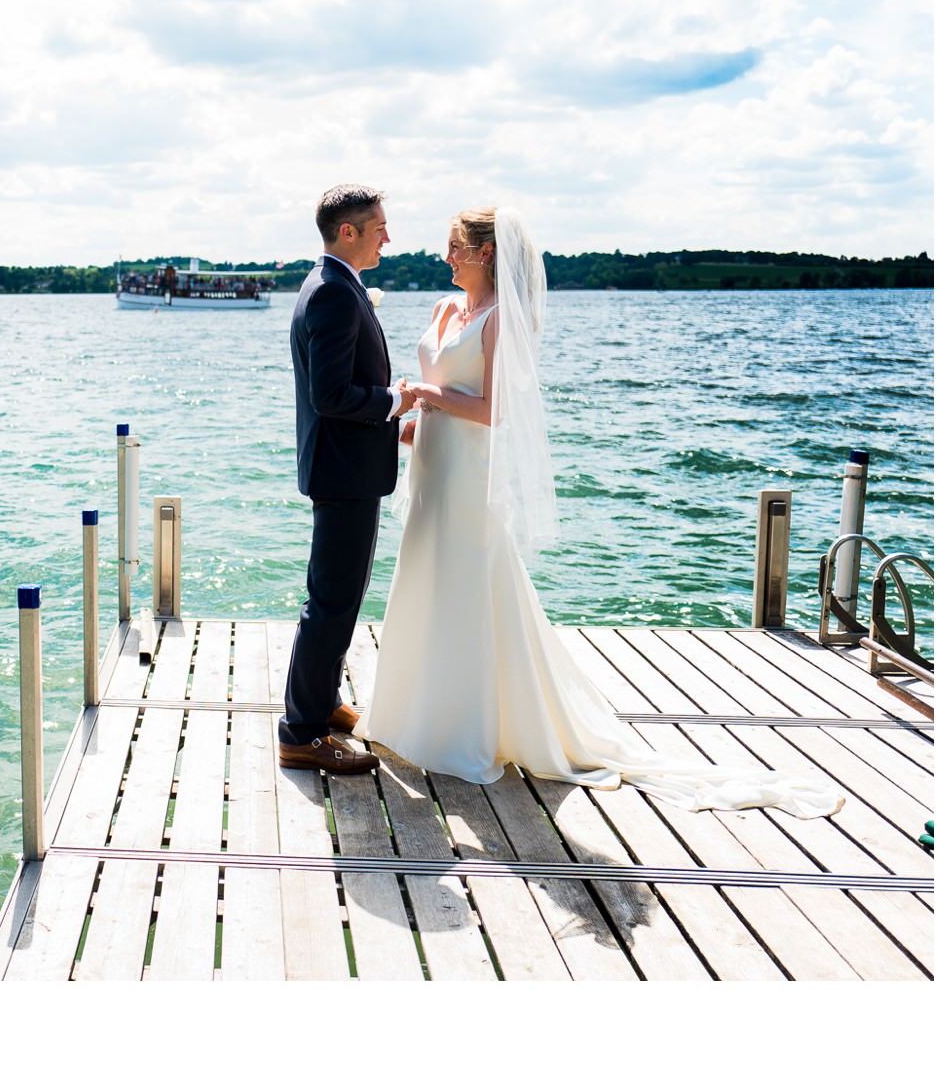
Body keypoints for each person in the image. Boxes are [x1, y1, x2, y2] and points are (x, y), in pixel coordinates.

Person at [356, 207, 843, 817]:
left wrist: (424, 393)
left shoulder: (502, 319)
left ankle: (467, 727)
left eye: (454, 247)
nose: (445, 256)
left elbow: (493, 412)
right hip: (430, 465)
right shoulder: (443, 310)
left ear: (484, 253)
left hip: (468, 476)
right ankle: (414, 713)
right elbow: (442, 398)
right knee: (427, 582)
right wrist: (413, 426)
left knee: (468, 586)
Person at [278, 185, 410, 775]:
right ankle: (300, 732)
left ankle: (324, 703)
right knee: (331, 602)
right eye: (379, 226)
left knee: (341, 596)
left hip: (345, 467)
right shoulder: (333, 292)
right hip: (343, 471)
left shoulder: (334, 284)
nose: (389, 236)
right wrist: (394, 401)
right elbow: (332, 396)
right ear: (349, 232)